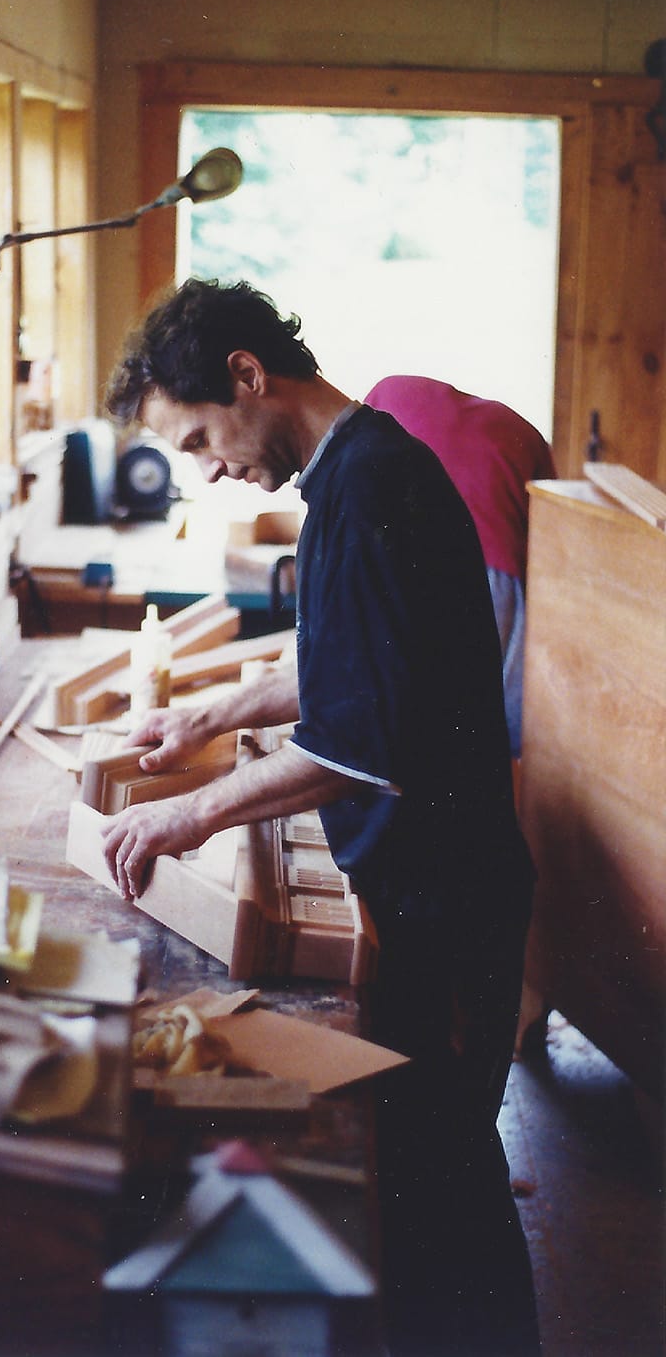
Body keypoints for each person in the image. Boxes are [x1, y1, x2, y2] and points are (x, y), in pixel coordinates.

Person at [101, 278, 541, 1357]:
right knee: (432, 1180)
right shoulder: (358, 471)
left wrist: (188, 815)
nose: (209, 469)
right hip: (433, 888)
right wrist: (214, 707)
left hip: (446, 903)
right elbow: (345, 664)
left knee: (444, 1194)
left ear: (251, 377)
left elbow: (356, 745)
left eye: (203, 437)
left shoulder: (373, 482)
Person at [362, 375, 557, 757]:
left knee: (423, 714)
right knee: (502, 707)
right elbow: (549, 542)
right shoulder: (523, 432)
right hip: (498, 566)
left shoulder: (383, 400)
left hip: (424, 559)